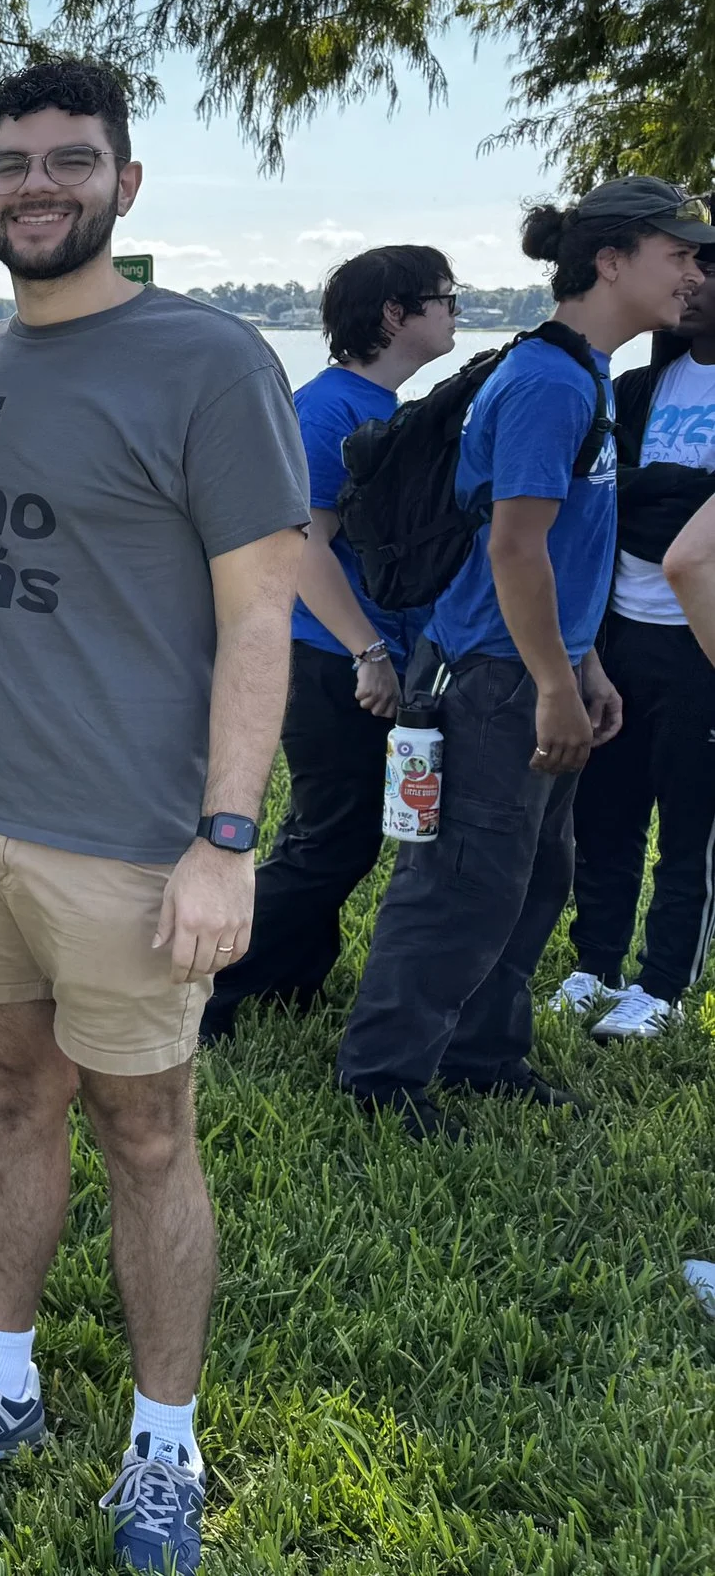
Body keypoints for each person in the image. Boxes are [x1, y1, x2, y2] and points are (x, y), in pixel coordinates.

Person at [0, 59, 307, 1574]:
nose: (37, 183)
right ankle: (0, 1374)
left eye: (71, 159)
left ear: (126, 184)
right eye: (11, 162)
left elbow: (260, 615)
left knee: (145, 1126)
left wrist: (225, 832)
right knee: (9, 1094)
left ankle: (163, 1443)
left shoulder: (209, 360)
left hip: (131, 834)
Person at [337, 178, 714, 1128]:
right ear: (613, 260)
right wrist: (553, 682)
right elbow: (514, 546)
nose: (695, 274)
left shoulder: (581, 373)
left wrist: (583, 665)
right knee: (460, 880)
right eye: (680, 255)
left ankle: (480, 1051)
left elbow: (569, 548)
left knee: (534, 874)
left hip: (536, 665)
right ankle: (382, 1078)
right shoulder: (549, 382)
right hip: (493, 678)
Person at [203, 248, 458, 1042]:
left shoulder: (376, 404)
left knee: (332, 831)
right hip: (327, 660)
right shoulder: (327, 412)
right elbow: (303, 546)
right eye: (446, 298)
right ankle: (216, 984)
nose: (456, 311)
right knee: (333, 838)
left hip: (361, 657)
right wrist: (368, 652)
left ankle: (291, 977)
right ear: (395, 316)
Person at [557, 255, 715, 1040]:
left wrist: (651, 492)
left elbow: (664, 523)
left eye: (709, 268)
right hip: (619, 633)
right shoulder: (639, 389)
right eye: (688, 264)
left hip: (702, 642)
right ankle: (595, 965)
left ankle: (663, 985)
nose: (691, 283)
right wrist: (672, 494)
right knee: (606, 811)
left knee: (692, 823)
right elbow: (610, 507)